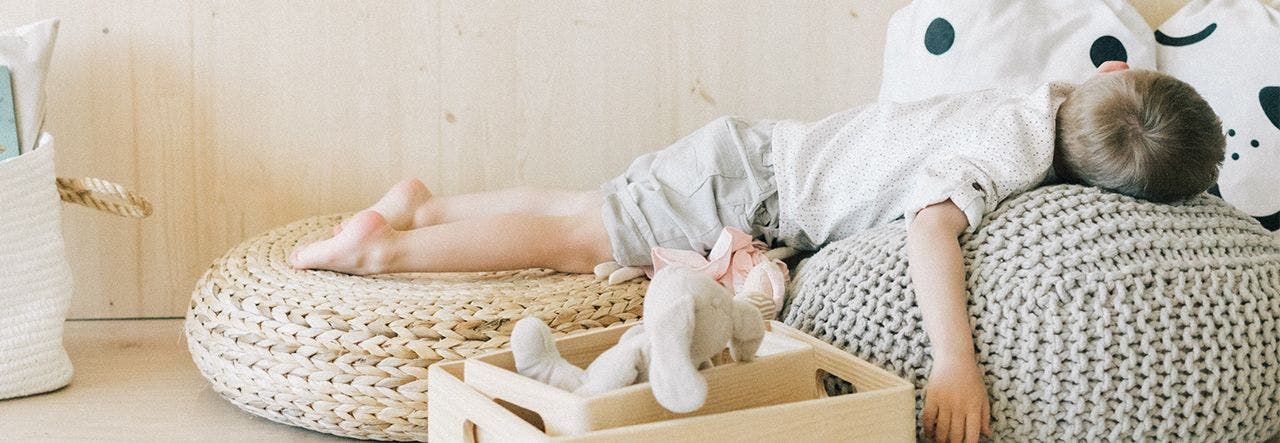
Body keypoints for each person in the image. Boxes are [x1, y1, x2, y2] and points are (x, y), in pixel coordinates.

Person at [289, 61, 1225, 442]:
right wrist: (952, 359)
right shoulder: (1009, 151)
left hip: (755, 157)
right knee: (579, 239)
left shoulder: (1043, 92)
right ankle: (381, 253)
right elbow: (931, 224)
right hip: (753, 185)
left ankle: (419, 211)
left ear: (1109, 75)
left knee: (589, 207)